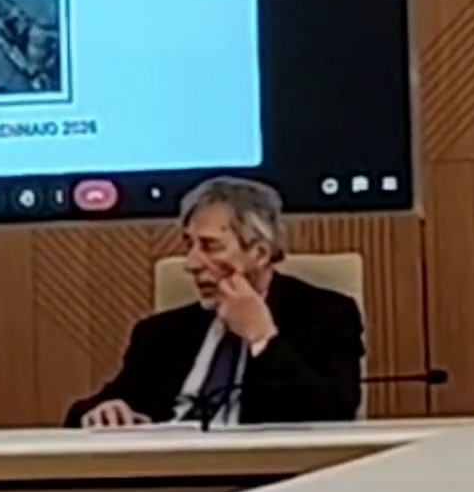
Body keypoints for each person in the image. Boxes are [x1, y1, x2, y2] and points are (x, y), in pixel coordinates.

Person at [65, 177, 365, 429]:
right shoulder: (160, 334)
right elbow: (83, 414)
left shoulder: (327, 316)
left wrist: (262, 337)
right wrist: (101, 411)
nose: (191, 263)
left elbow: (334, 414)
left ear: (260, 253)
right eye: (189, 245)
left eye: (210, 246)